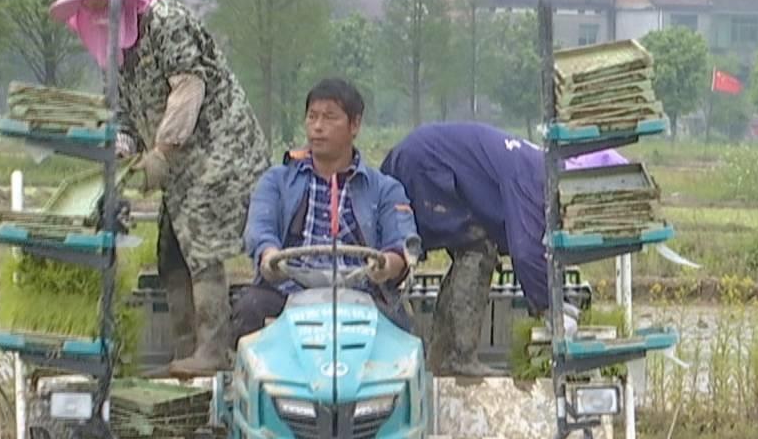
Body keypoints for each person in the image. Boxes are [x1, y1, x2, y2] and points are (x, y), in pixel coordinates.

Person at [51, 0, 268, 377]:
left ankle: (212, 351)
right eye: (89, 3)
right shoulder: (115, 50)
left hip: (219, 151)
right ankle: (184, 348)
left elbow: (188, 87)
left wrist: (162, 151)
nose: (96, 9)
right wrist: (125, 148)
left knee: (200, 244)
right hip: (179, 163)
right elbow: (125, 112)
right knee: (170, 251)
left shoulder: (166, 21)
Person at [382, 123, 625, 376]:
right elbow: (525, 251)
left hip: (428, 158)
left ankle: (442, 356)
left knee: (476, 246)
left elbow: (533, 244)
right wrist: (551, 308)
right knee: (478, 249)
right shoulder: (538, 180)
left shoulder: (538, 168)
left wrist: (558, 297)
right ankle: (457, 357)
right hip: (426, 165)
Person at [233, 79, 420, 343]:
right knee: (248, 308)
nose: (318, 127)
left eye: (330, 117)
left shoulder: (386, 189)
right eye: (312, 117)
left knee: (402, 332)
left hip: (363, 294)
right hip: (288, 292)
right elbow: (259, 230)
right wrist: (270, 256)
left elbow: (403, 243)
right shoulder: (276, 180)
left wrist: (387, 265)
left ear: (354, 125)